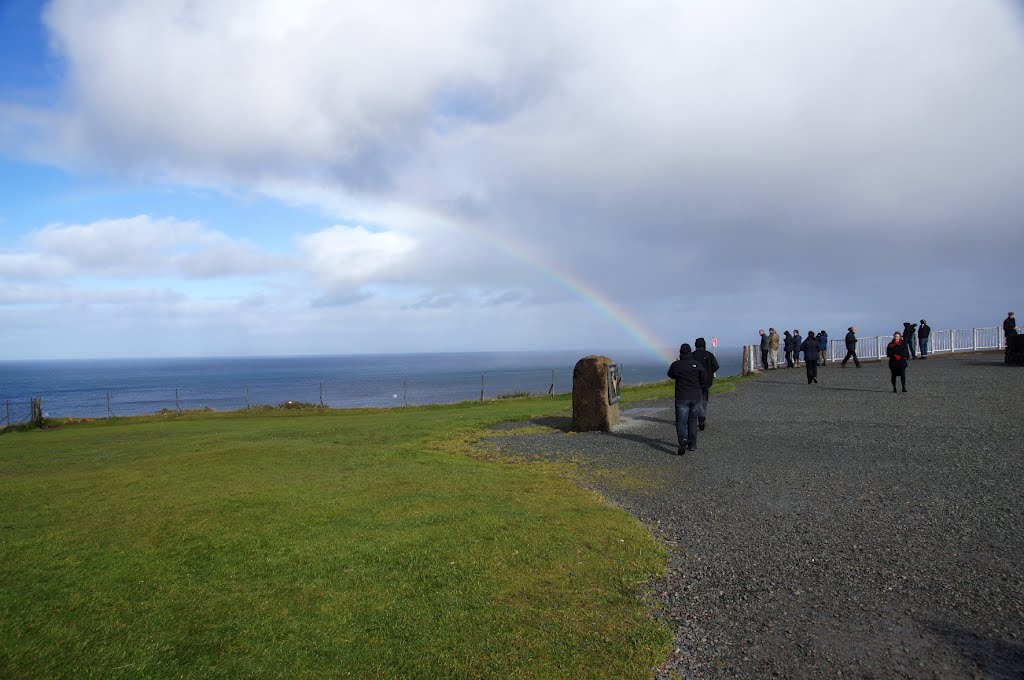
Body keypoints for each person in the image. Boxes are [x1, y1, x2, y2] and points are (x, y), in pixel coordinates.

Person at [667, 343, 707, 454]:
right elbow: (704, 378)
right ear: (690, 352)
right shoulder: (697, 364)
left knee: (681, 421)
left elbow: (670, 374)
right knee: (693, 421)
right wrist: (699, 385)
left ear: (680, 352)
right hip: (695, 396)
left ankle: (683, 440)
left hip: (682, 396)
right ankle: (692, 444)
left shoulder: (676, 365)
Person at [691, 337, 720, 432]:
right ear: (704, 345)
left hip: (695, 382)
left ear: (696, 345)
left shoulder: (692, 356)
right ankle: (702, 418)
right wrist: (709, 372)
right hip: (707, 381)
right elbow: (716, 366)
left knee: (696, 400)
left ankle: (701, 416)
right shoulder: (709, 355)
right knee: (704, 399)